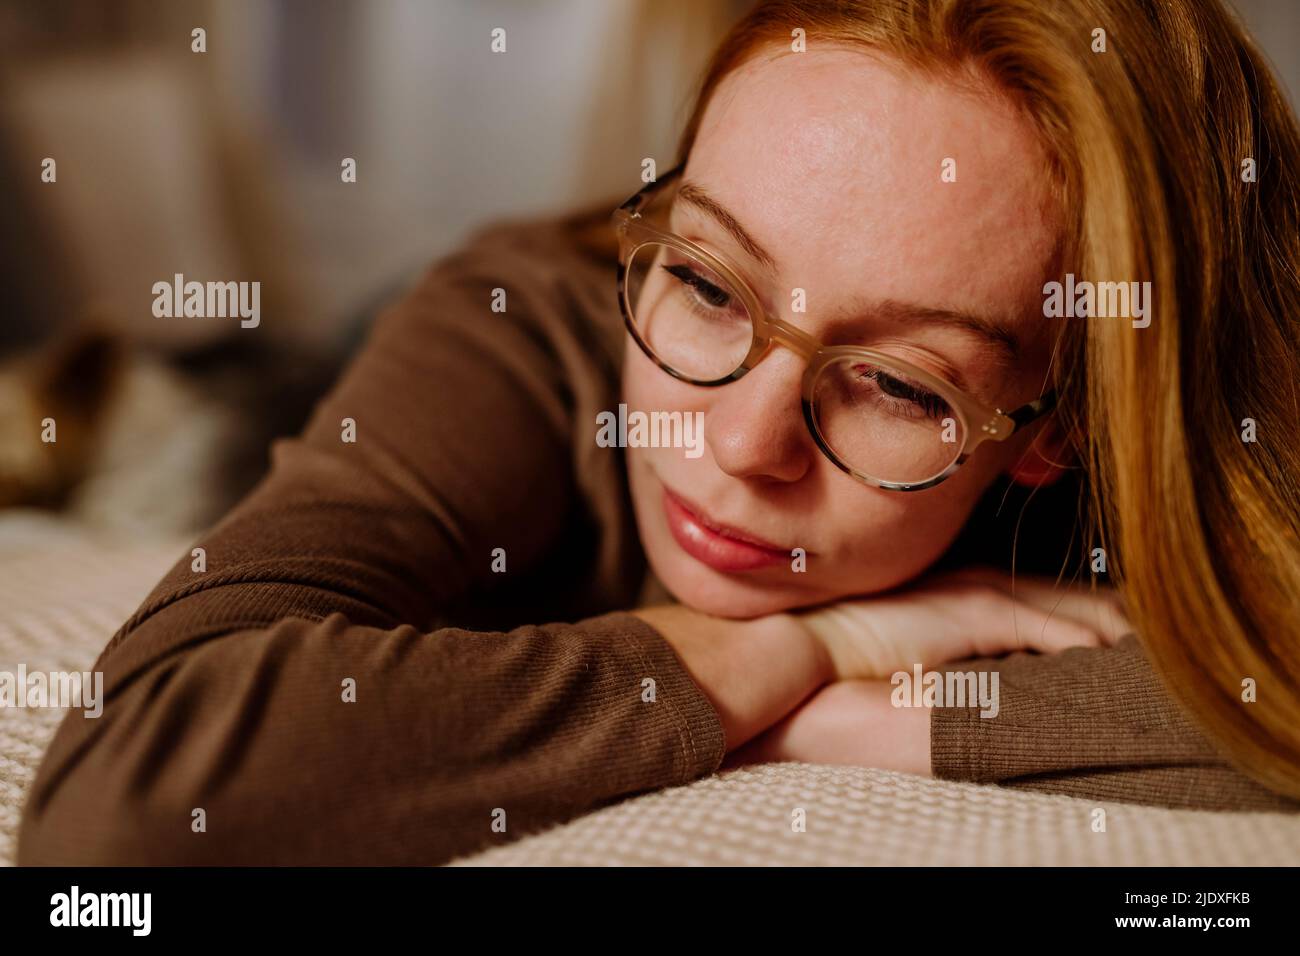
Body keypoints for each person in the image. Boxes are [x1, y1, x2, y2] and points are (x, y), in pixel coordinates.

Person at [19, 0, 1300, 866]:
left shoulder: (1148, 439)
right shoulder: (527, 324)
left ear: (1057, 430)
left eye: (902, 386)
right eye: (703, 281)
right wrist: (811, 646)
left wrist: (857, 719)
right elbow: (118, 798)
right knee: (180, 418)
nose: (743, 445)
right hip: (406, 351)